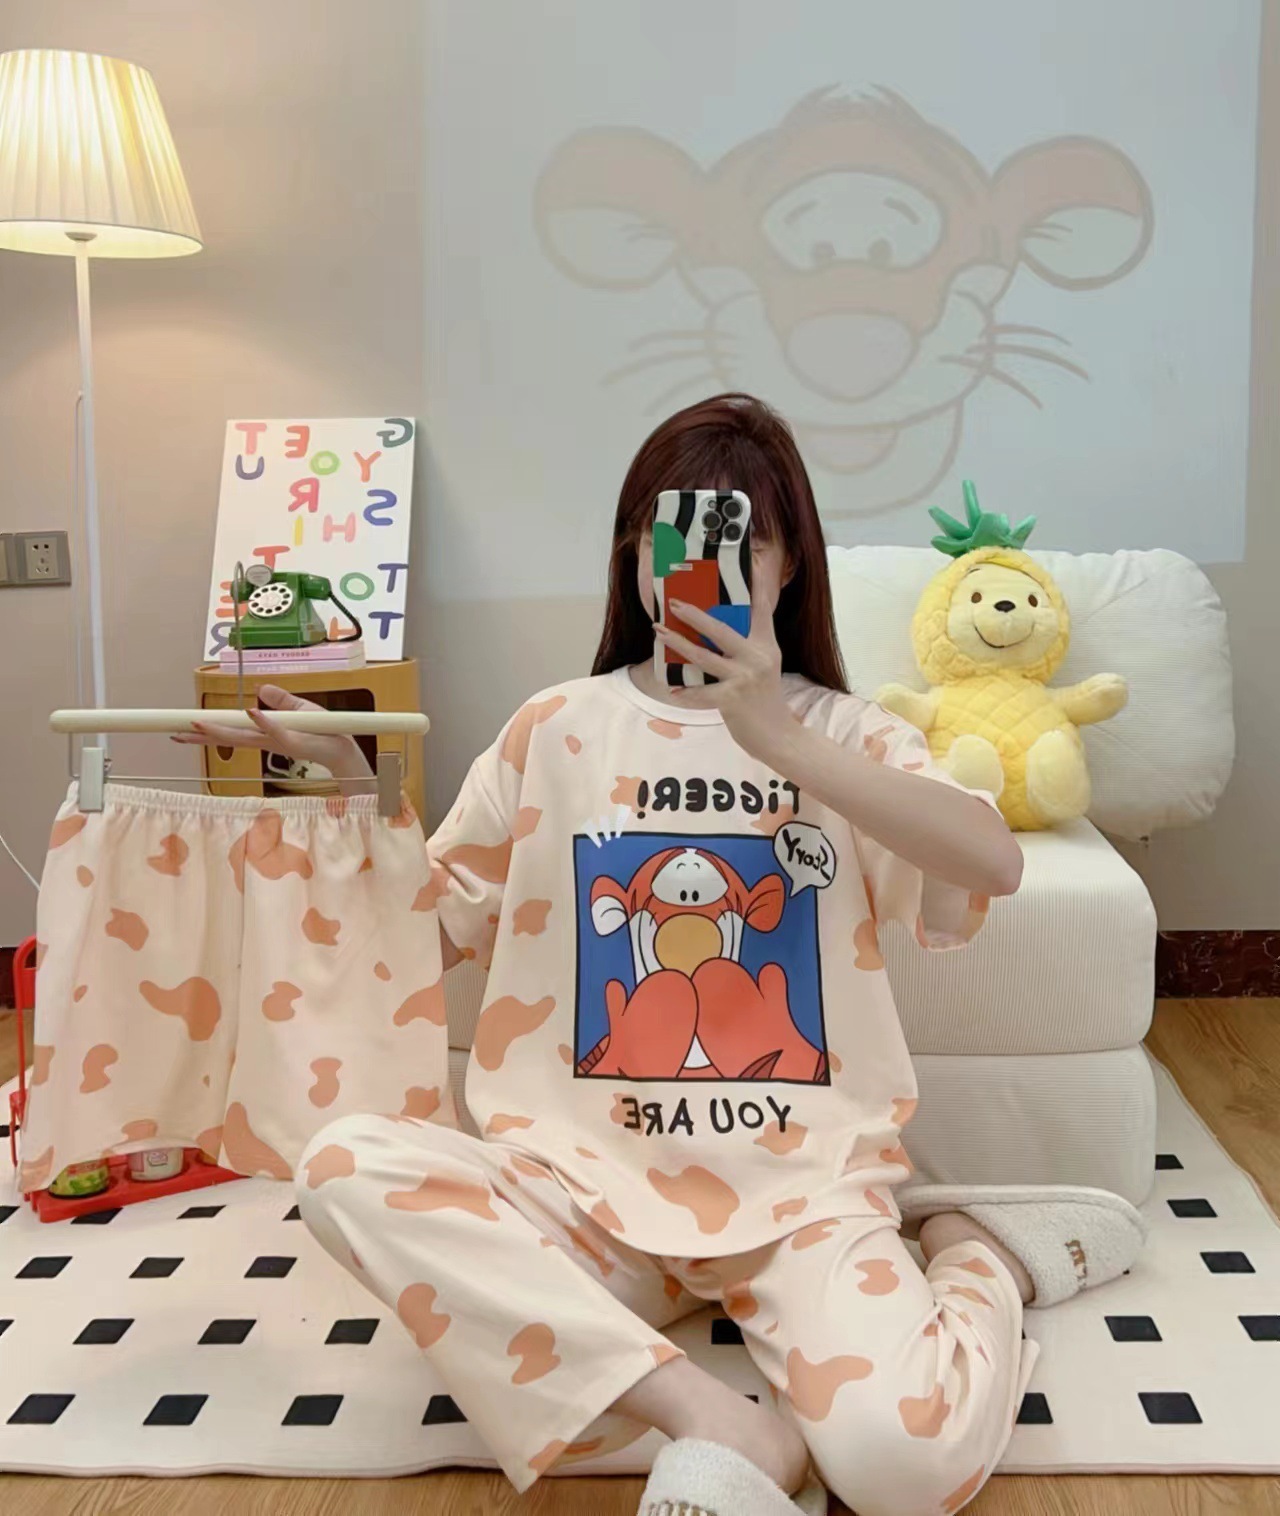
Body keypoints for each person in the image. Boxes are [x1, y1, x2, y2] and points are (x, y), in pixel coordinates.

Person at [183, 394, 1145, 1516]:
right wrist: (355, 784)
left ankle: (982, 1254)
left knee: (903, 1470)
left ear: (788, 565)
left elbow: (990, 861)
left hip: (801, 1196)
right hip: (579, 1190)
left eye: (743, 536)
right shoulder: (554, 727)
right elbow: (424, 935)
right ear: (635, 556)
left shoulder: (847, 736)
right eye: (667, 533)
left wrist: (774, 735)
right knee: (344, 1164)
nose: (695, 565)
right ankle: (714, 1419)